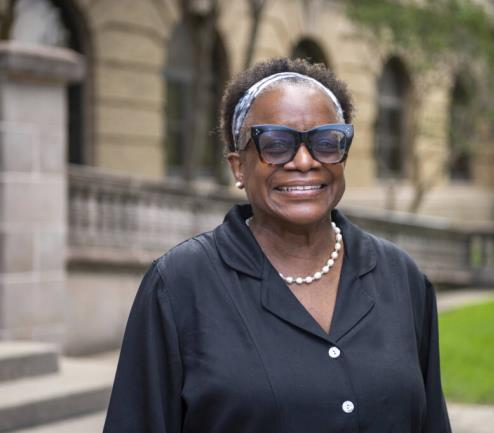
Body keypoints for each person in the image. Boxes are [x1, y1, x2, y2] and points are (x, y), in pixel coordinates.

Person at [103, 57, 452, 433]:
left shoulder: (401, 278)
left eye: (325, 142)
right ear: (238, 167)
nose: (304, 161)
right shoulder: (178, 285)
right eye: (275, 144)